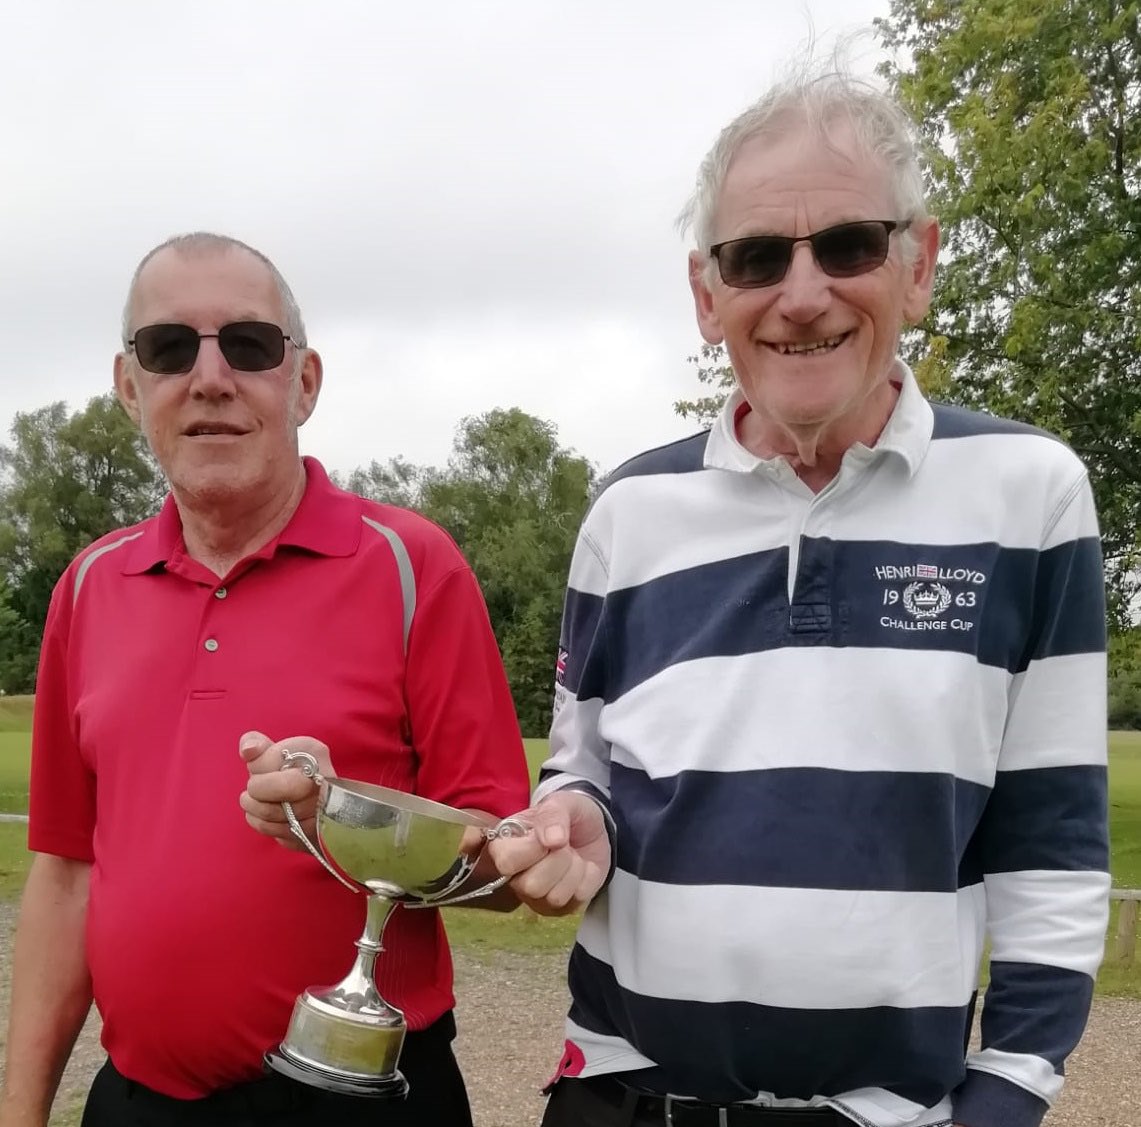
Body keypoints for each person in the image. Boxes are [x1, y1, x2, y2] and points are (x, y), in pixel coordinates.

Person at [488, 71, 1110, 1127]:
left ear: (919, 264)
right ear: (707, 294)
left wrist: (1008, 1089)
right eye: (758, 256)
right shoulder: (629, 510)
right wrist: (575, 821)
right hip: (625, 1097)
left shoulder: (1030, 492)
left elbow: (1051, 839)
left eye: (850, 245)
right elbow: (583, 761)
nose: (803, 291)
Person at [0, 232, 531, 1127]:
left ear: (305, 381)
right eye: (169, 349)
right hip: (138, 1104)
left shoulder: (412, 566)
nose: (210, 378)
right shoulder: (89, 585)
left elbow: (505, 863)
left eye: (248, 345)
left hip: (362, 1098)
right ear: (131, 387)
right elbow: (65, 873)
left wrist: (351, 820)